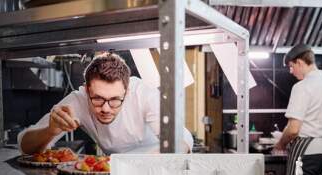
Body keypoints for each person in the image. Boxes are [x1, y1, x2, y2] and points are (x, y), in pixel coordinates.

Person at [18, 52, 193, 155]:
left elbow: (183, 141)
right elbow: (24, 146)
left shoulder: (143, 93)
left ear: (127, 91)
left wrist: (130, 166)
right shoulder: (78, 100)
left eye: (115, 100)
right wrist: (49, 131)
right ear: (87, 91)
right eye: (98, 98)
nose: (106, 108)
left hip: (156, 172)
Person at [273, 44, 322, 175]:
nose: (291, 71)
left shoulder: (301, 87)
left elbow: (293, 129)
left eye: (291, 66)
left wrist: (280, 144)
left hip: (306, 151)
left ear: (300, 62)